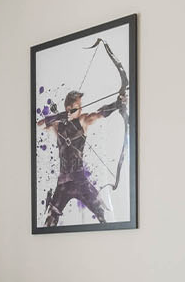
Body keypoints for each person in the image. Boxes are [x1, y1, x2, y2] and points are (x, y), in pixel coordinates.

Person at [35, 85, 124, 226]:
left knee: (101, 216)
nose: (81, 110)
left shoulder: (83, 120)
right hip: (63, 183)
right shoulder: (58, 125)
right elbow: (38, 124)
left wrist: (118, 104)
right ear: (69, 109)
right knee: (50, 221)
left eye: (80, 107)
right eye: (78, 107)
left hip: (80, 181)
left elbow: (99, 113)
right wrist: (60, 116)